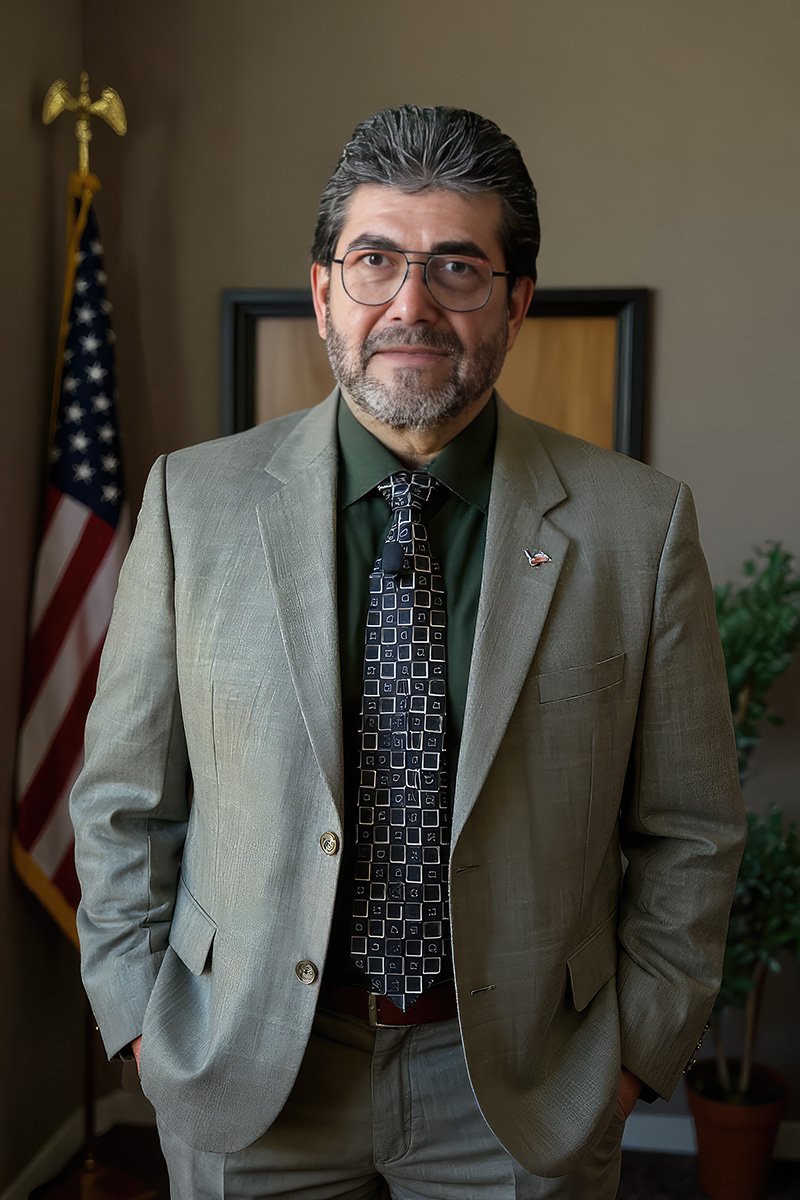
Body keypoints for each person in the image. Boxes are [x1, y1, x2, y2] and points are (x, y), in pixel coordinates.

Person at [71, 105, 745, 1199]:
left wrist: (629, 1060)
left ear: (516, 302)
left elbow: (689, 829)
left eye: (457, 268)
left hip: (524, 1086)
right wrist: (143, 1022)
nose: (410, 305)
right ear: (323, 289)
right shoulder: (189, 505)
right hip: (246, 1071)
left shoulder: (638, 527)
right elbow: (121, 802)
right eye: (374, 259)